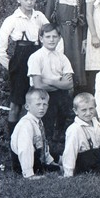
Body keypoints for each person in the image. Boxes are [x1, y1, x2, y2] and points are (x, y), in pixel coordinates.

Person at [0, 0, 49, 133]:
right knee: (17, 101)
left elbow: (51, 32)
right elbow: (1, 49)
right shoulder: (12, 19)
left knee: (38, 97)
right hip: (20, 59)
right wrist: (12, 66)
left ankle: (37, 136)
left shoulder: (39, 16)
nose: (29, 2)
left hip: (38, 55)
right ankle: (13, 138)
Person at [27, 23, 74, 154]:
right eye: (48, 37)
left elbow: (69, 84)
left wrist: (50, 81)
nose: (51, 40)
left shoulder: (62, 58)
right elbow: (38, 85)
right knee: (46, 122)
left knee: (66, 112)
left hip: (60, 94)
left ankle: (59, 142)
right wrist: (59, 83)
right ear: (41, 38)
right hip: (41, 94)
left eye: (55, 36)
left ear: (59, 38)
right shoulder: (36, 57)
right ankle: (45, 148)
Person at [45, 0, 86, 90]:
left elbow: (84, 20)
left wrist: (84, 39)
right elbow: (47, 20)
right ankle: (61, 89)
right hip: (60, 34)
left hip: (76, 34)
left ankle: (76, 90)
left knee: (76, 61)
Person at [10, 89, 61, 178]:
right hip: (23, 163)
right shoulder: (26, 125)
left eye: (45, 104)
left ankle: (55, 163)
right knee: (59, 169)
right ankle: (31, 173)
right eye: (38, 104)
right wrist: (29, 174)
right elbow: (25, 149)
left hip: (36, 156)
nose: (42, 108)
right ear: (27, 107)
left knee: (58, 160)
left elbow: (43, 144)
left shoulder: (37, 121)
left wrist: (51, 162)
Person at [62, 93, 100, 177]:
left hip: (97, 160)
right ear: (75, 111)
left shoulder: (97, 124)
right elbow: (70, 152)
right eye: (84, 110)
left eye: (91, 109)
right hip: (82, 163)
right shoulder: (74, 129)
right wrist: (68, 173)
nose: (88, 113)